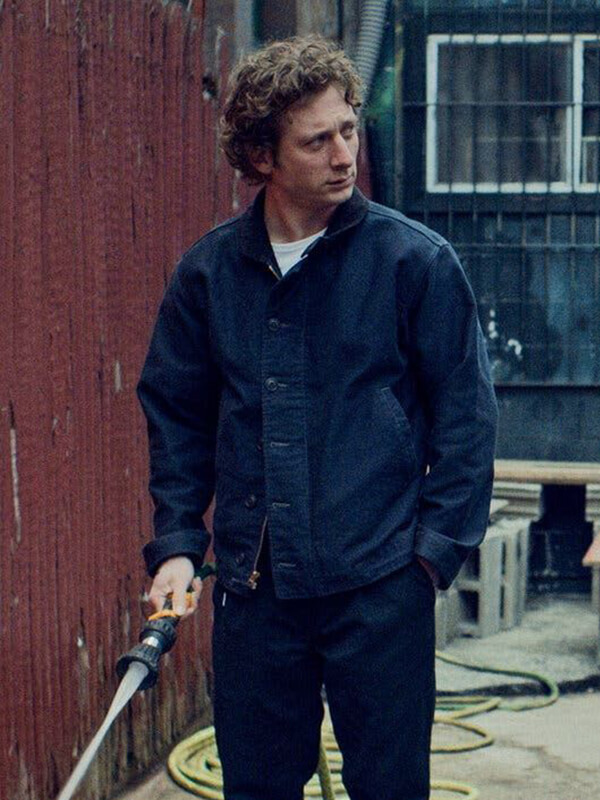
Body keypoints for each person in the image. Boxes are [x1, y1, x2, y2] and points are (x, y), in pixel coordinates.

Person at [138, 36, 498, 800]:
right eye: (317, 141)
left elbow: (467, 422)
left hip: (381, 585)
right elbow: (176, 418)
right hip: (255, 594)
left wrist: (430, 561)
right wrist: (176, 544)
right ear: (260, 156)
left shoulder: (415, 262)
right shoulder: (208, 275)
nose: (343, 156)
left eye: (349, 130)